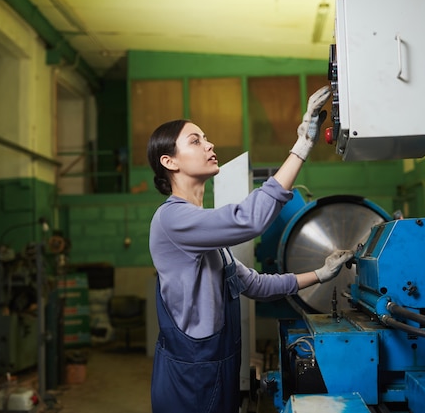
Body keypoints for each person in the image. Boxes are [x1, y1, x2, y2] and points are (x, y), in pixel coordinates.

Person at [147, 85, 353, 413]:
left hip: (217, 368)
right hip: (191, 381)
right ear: (169, 161)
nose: (209, 144)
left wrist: (321, 273)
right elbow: (250, 219)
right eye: (195, 140)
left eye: (206, 137)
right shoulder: (172, 220)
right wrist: (302, 146)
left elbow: (255, 284)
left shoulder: (207, 236)